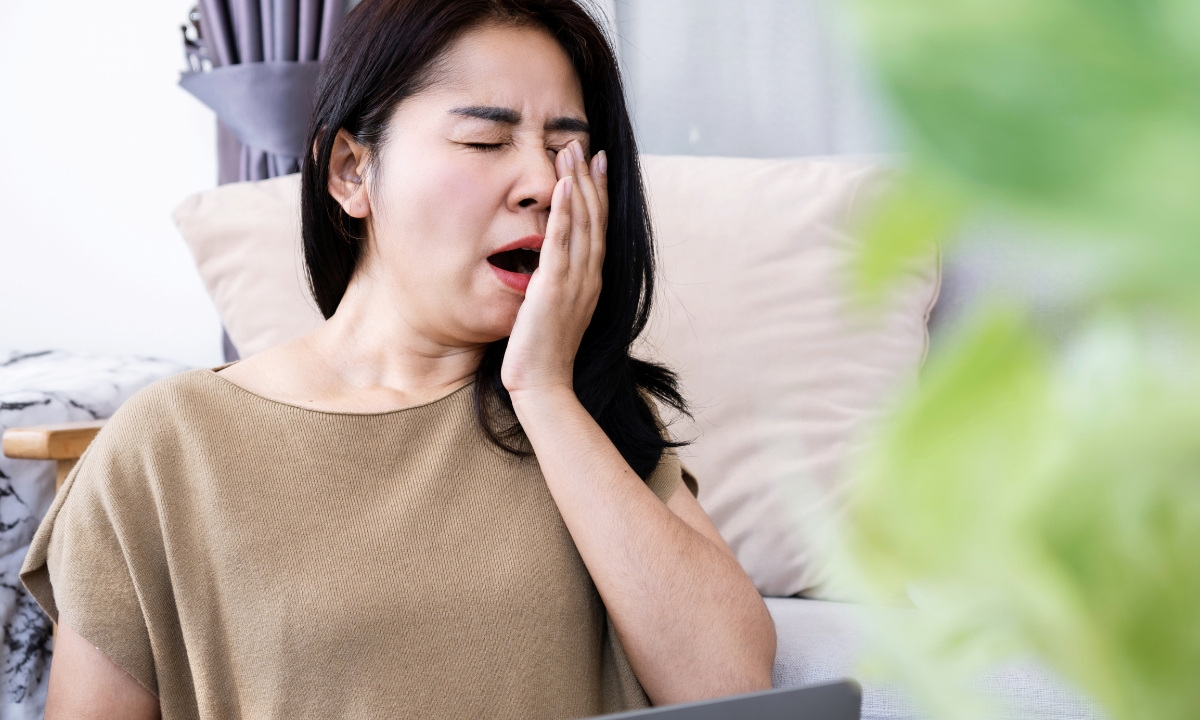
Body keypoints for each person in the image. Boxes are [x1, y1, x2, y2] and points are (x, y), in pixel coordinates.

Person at [21, 1, 776, 718]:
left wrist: (543, 390)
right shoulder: (166, 446)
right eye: (485, 142)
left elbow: (734, 688)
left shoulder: (588, 413)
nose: (545, 185)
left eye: (565, 151)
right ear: (351, 170)